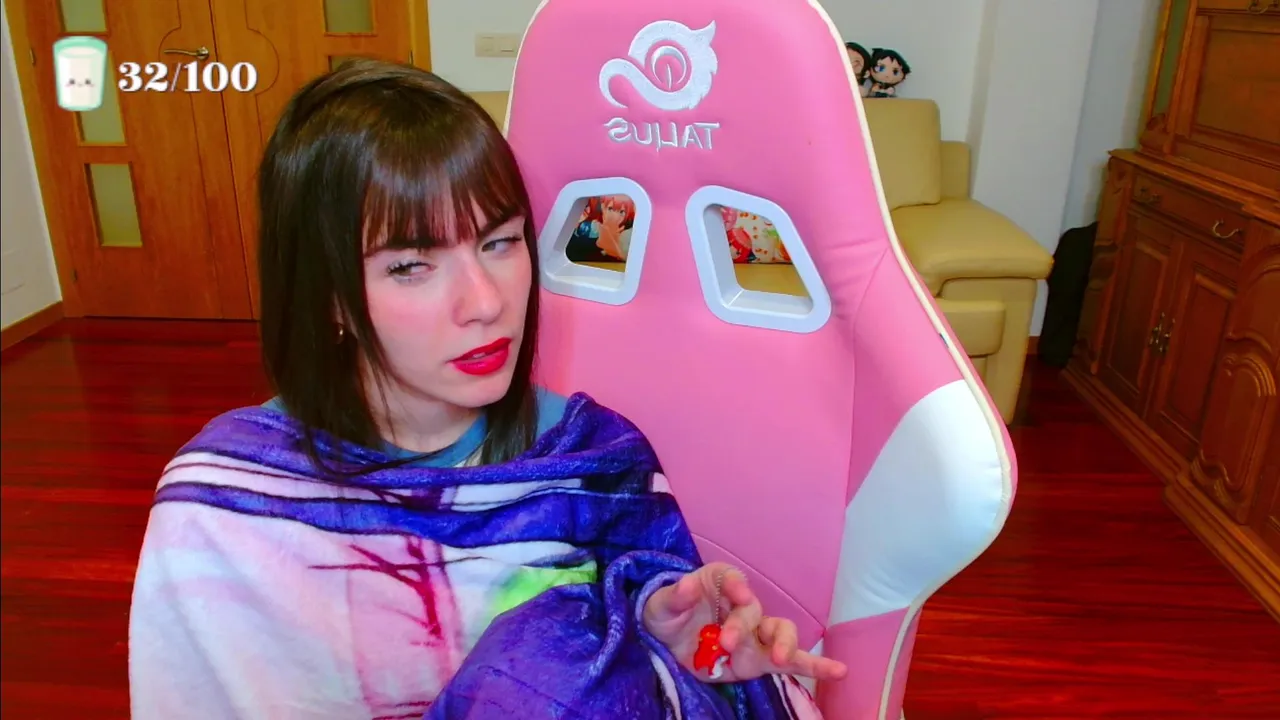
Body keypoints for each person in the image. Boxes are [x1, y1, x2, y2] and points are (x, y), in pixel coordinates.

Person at [127, 59, 846, 719]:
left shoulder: (592, 461)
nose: (485, 301)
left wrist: (675, 650)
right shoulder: (223, 506)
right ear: (328, 299)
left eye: (499, 243)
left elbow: (677, 645)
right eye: (411, 265)